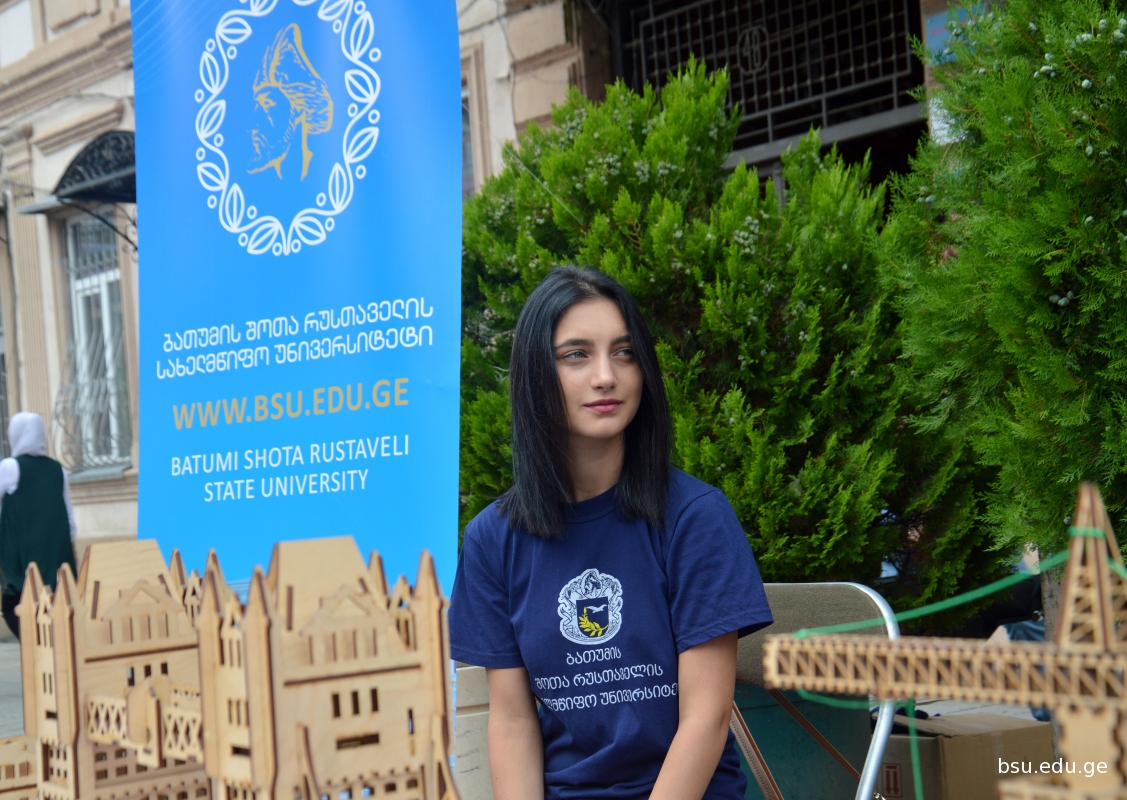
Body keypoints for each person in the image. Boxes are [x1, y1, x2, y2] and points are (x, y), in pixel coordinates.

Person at [449, 267, 773, 800]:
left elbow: (705, 719)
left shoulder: (695, 518)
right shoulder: (493, 539)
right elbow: (512, 723)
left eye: (623, 352)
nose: (606, 376)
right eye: (576, 355)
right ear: (535, 374)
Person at [0, 412, 77, 639]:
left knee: (16, 609)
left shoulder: (10, 467)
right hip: (56, 560)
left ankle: (40, 654)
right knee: (55, 616)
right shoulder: (58, 469)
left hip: (21, 561)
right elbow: (70, 522)